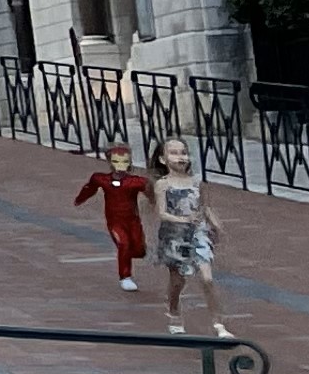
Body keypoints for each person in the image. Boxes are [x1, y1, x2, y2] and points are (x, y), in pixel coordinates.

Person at [149, 137, 231, 338]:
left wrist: (215, 224)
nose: (181, 157)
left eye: (184, 153)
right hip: (175, 237)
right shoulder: (163, 184)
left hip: (198, 233)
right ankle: (174, 311)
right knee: (178, 281)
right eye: (174, 153)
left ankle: (218, 323)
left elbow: (205, 207)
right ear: (163, 159)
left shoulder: (196, 182)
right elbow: (162, 213)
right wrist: (183, 219)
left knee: (207, 279)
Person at [74, 146, 153, 292]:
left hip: (133, 220)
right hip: (115, 221)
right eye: (116, 161)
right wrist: (80, 199)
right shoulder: (101, 179)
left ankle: (134, 253)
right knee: (124, 243)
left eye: (125, 162)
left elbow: (151, 192)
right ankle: (125, 277)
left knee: (139, 250)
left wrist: (155, 203)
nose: (120, 166)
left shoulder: (136, 182)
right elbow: (89, 188)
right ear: (110, 162)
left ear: (129, 162)